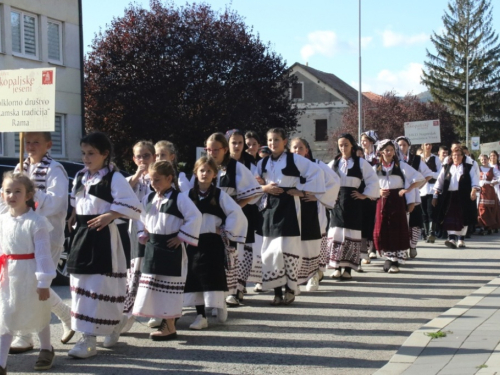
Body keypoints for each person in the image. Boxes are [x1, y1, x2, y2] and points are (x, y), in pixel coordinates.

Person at [66, 132, 141, 358]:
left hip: (104, 236)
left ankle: (99, 331)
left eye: (91, 153)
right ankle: (88, 335)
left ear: (105, 154)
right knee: (81, 284)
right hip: (82, 234)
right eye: (84, 153)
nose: (86, 158)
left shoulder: (114, 178)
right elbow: (76, 201)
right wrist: (71, 217)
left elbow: (133, 206)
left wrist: (110, 215)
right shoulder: (80, 176)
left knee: (101, 286)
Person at [0, 132, 73, 354]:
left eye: (36, 142)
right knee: (20, 285)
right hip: (19, 234)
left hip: (45, 233)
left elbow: (56, 202)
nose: (30, 146)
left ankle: (28, 333)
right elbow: (7, 198)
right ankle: (57, 318)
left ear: (48, 145)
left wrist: (30, 191)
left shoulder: (54, 169)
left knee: (36, 285)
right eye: (27, 142)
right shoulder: (19, 167)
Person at [132, 161, 202, 340]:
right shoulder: (149, 198)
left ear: (169, 178)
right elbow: (140, 216)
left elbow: (195, 216)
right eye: (151, 180)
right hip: (153, 246)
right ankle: (163, 321)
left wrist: (181, 237)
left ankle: (169, 326)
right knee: (153, 288)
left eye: (157, 180)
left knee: (169, 290)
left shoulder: (179, 198)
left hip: (171, 249)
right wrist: (144, 232)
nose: (153, 184)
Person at [257, 128, 326, 305]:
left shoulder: (294, 159)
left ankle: (290, 288)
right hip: (270, 206)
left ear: (285, 141)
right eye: (270, 140)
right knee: (271, 251)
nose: (273, 144)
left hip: (289, 205)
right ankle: (277, 290)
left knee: (288, 249)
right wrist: (264, 188)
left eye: (277, 140)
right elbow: (255, 182)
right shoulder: (263, 163)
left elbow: (316, 173)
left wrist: (302, 191)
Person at [0, 173, 56, 372]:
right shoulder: (2, 220)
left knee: (38, 312)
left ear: (28, 195)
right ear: (1, 194)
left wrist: (43, 282)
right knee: (6, 316)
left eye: (17, 191)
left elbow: (43, 255)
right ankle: (1, 363)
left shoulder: (36, 221)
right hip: (7, 275)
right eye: (7, 191)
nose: (12, 195)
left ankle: (46, 348)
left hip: (30, 272)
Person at [183, 156, 247, 329]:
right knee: (195, 277)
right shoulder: (187, 195)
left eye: (208, 171)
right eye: (201, 170)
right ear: (196, 173)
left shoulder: (220, 195)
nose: (205, 174)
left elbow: (236, 214)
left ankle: (220, 304)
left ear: (215, 174)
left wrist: (226, 229)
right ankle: (201, 315)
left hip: (213, 242)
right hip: (194, 242)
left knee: (213, 276)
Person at [204, 132, 262, 307]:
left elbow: (254, 191)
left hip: (233, 216)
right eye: (209, 149)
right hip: (211, 216)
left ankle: (236, 290)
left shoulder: (236, 167)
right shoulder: (206, 167)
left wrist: (235, 208)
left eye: (216, 149)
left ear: (224, 149)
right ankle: (216, 292)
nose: (212, 153)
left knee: (235, 252)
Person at [289, 137, 339, 291]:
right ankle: (295, 279)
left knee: (313, 243)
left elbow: (335, 181)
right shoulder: (287, 166)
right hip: (294, 208)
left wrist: (318, 196)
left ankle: (314, 275)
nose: (297, 151)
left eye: (300, 148)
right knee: (294, 244)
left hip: (313, 208)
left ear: (307, 150)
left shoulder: (317, 165)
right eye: (294, 148)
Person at [327, 134, 379, 280]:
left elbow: (373, 180)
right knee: (337, 233)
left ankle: (348, 269)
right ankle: (337, 267)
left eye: (346, 145)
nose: (343, 148)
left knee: (351, 234)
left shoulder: (361, 163)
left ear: (352, 145)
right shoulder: (334, 163)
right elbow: (325, 179)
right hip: (338, 202)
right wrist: (331, 195)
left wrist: (364, 195)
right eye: (341, 145)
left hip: (353, 201)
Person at [117, 141, 155, 337]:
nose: (143, 160)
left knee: (153, 269)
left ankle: (155, 311)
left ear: (154, 157)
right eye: (139, 156)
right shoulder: (130, 179)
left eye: (146, 156)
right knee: (136, 270)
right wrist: (138, 175)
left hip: (155, 228)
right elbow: (122, 195)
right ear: (134, 159)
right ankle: (128, 312)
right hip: (135, 229)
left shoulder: (158, 178)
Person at [372, 140, 424, 273]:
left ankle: (396, 259)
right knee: (383, 227)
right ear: (381, 152)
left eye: (391, 150)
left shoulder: (401, 165)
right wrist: (378, 191)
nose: (389, 152)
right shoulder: (376, 168)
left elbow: (419, 178)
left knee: (397, 227)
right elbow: (369, 185)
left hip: (397, 200)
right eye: (386, 150)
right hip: (382, 201)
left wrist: (408, 192)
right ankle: (389, 257)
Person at [433, 146, 480, 248]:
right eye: (454, 155)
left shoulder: (468, 167)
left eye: (458, 155)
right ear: (451, 156)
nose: (456, 157)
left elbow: (475, 180)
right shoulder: (447, 167)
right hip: (449, 196)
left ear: (462, 156)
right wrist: (435, 195)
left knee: (463, 217)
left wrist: (473, 190)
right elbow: (440, 181)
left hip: (463, 196)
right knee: (449, 217)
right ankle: (451, 238)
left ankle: (461, 240)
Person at [395, 136, 433, 258]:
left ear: (408, 146)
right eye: (399, 145)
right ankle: (403, 247)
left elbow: (428, 174)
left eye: (404, 145)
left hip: (414, 194)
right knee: (401, 222)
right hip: (399, 193)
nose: (402, 147)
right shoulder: (394, 160)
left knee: (414, 222)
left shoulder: (416, 159)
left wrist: (419, 186)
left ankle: (413, 245)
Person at [360, 130, 379, 262]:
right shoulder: (359, 156)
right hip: (362, 193)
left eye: (365, 140)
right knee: (363, 221)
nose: (363, 143)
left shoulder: (377, 157)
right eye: (361, 141)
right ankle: (364, 250)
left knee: (373, 220)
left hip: (374, 194)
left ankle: (372, 248)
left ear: (371, 142)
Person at [420, 143, 442, 243]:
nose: (428, 146)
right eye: (426, 144)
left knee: (431, 210)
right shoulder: (418, 158)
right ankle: (425, 231)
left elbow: (440, 174)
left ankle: (431, 232)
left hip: (431, 188)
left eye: (429, 144)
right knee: (423, 211)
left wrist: (430, 174)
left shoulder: (435, 159)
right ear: (422, 146)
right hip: (421, 188)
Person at [477, 154, 500, 235]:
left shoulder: (492, 169)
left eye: (485, 159)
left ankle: (489, 227)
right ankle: (483, 225)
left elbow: (499, 176)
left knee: (489, 208)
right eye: (482, 159)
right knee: (481, 208)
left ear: (488, 159)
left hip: (489, 190)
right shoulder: (478, 169)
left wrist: (494, 182)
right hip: (481, 190)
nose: (484, 161)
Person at [489, 150, 500, 234]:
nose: (493, 157)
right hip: (489, 188)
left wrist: (497, 181)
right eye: (491, 155)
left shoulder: (498, 167)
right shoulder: (487, 166)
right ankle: (491, 225)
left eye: (494, 156)